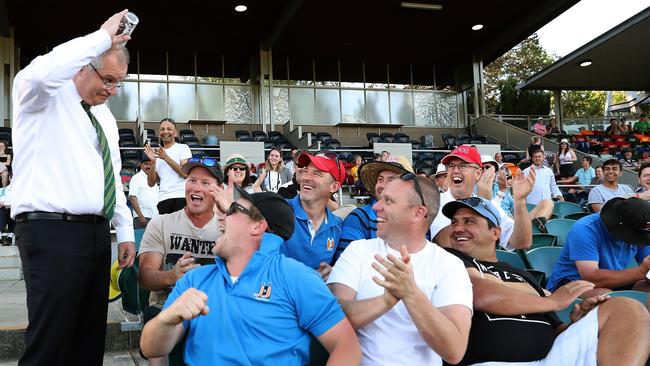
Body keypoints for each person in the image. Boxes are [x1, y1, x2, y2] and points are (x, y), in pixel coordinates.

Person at [10, 10, 136, 365]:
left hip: (96, 233)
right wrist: (101, 38)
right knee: (52, 340)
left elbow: (110, 172)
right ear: (82, 66)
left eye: (118, 83)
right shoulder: (40, 95)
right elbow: (43, 72)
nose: (111, 90)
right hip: (50, 230)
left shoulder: (104, 116)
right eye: (107, 80)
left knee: (88, 337)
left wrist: (124, 229)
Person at [140, 187, 362, 365]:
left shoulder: (297, 278)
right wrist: (166, 320)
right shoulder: (195, 280)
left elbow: (347, 348)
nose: (220, 216)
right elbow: (151, 349)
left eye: (232, 210)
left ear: (258, 227)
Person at [443, 197, 650, 366]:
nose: (458, 228)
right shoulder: (449, 260)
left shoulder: (521, 274)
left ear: (495, 233)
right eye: (454, 222)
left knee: (627, 308)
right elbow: (479, 294)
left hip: (549, 358)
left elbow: (556, 329)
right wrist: (552, 301)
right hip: (490, 361)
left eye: (468, 221)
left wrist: (575, 321)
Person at [327, 175, 473, 365]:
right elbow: (331, 320)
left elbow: (454, 350)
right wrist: (385, 300)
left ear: (418, 213)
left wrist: (411, 294)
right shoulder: (358, 250)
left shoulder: (449, 265)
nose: (376, 207)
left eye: (388, 201)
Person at [138, 158, 223, 366]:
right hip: (168, 303)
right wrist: (171, 276)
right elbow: (144, 276)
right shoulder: (162, 224)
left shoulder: (228, 225)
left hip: (217, 305)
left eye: (205, 183)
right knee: (156, 320)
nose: (196, 187)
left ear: (219, 190)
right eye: (192, 180)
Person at [429, 145, 533, 250]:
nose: (455, 170)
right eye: (451, 166)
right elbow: (448, 244)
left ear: (478, 173)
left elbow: (522, 242)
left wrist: (520, 201)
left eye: (463, 166)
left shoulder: (486, 202)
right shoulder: (436, 201)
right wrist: (483, 210)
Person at [547, 197, 650, 297]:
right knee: (605, 296)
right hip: (572, 285)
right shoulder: (585, 229)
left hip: (613, 282)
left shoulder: (638, 228)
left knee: (646, 288)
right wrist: (641, 271)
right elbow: (591, 278)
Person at [282, 153, 346, 280]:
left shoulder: (337, 227)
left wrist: (333, 271)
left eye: (316, 173)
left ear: (334, 186)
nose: (306, 177)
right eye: (305, 171)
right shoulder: (279, 211)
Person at [339, 156, 413, 247]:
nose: (382, 185)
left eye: (392, 180)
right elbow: (347, 258)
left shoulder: (417, 219)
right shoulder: (359, 218)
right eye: (380, 179)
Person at [144, 118, 192, 214]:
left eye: (169, 129)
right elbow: (151, 183)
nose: (165, 131)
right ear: (159, 133)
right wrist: (153, 162)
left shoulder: (183, 148)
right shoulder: (157, 154)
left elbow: (185, 174)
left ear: (175, 133)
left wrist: (165, 157)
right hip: (163, 199)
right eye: (162, 129)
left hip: (181, 197)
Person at [524, 147, 563, 226]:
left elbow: (553, 186)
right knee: (532, 226)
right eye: (535, 157)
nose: (538, 158)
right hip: (531, 204)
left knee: (545, 226)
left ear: (543, 157)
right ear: (532, 158)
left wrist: (559, 195)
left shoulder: (549, 171)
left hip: (547, 206)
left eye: (539, 156)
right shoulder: (525, 172)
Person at [129, 155, 159, 229]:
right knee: (142, 240)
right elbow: (132, 198)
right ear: (140, 164)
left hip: (156, 217)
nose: (148, 166)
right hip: (143, 217)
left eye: (150, 164)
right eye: (146, 164)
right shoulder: (136, 178)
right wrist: (140, 216)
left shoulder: (155, 178)